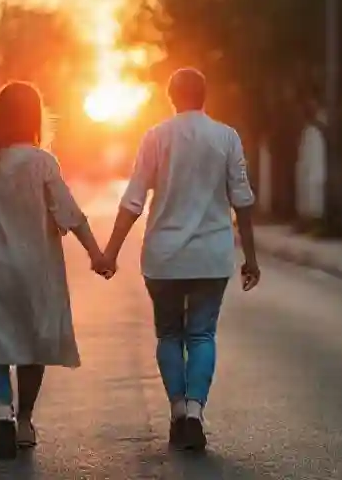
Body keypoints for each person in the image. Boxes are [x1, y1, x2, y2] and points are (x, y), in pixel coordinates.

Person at [96, 67, 260, 452]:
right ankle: (195, 411)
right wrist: (250, 258)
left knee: (169, 334)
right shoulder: (226, 138)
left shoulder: (155, 138)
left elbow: (133, 200)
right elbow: (243, 201)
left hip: (164, 258)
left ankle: (176, 410)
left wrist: (110, 253)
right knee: (202, 334)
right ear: (205, 96)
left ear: (171, 97)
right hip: (211, 255)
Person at [0, 81, 108, 461]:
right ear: (34, 117)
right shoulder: (43, 162)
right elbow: (70, 214)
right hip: (35, 271)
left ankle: (2, 410)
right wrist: (97, 255)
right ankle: (24, 420)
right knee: (30, 344)